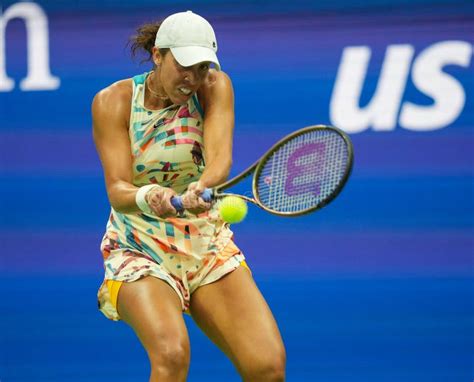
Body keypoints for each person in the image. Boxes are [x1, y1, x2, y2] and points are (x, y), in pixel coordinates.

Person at [92, 10, 286, 382]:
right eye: (184, 66)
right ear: (158, 55)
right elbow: (118, 190)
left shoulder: (215, 86)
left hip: (205, 244)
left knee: (267, 368)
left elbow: (219, 159)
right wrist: (154, 196)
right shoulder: (112, 102)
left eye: (201, 67)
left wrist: (201, 187)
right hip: (139, 247)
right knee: (171, 354)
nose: (193, 78)